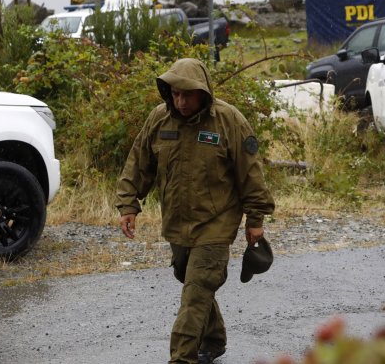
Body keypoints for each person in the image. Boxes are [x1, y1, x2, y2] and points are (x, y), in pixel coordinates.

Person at [115, 58, 275, 364]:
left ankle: (182, 358)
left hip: (217, 223)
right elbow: (139, 163)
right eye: (175, 94)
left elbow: (251, 173)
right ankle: (213, 339)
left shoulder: (229, 120)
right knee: (187, 276)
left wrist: (255, 219)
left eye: (187, 94)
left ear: (203, 92)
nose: (180, 101)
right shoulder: (160, 120)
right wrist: (129, 203)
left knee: (196, 291)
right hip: (177, 222)